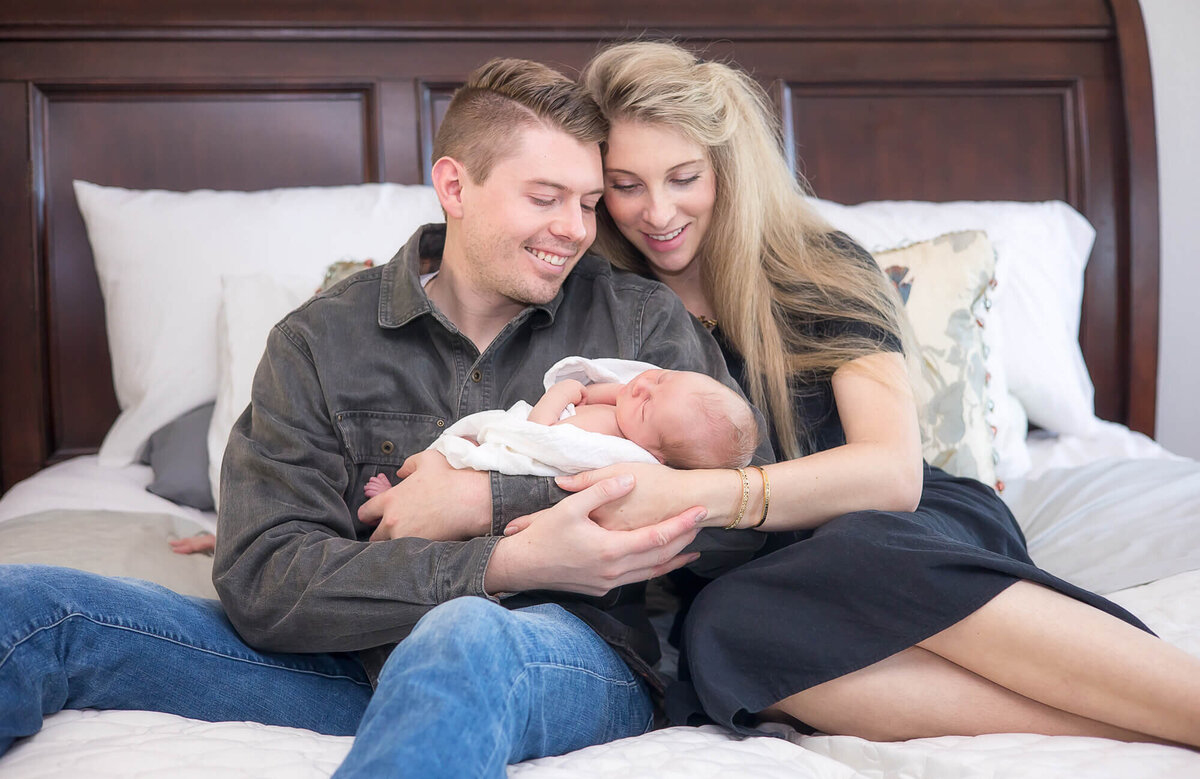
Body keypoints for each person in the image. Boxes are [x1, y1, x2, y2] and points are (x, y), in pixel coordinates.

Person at [0, 57, 769, 775]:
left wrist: (485, 503)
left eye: (591, 202)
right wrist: (504, 560)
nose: (576, 227)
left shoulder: (637, 325)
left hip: (563, 660)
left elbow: (725, 521)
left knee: (461, 633)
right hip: (338, 665)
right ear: (455, 185)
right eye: (545, 198)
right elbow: (262, 577)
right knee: (30, 607)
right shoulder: (320, 339)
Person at [563, 40, 1200, 747]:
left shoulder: (816, 269)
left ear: (728, 169)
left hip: (902, 528)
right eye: (625, 185)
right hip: (766, 580)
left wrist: (705, 493)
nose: (657, 211)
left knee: (852, 543)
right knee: (716, 634)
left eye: (684, 177)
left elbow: (891, 476)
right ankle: (1152, 721)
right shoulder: (604, 303)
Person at [362, 361, 758, 499]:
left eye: (649, 402)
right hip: (516, 445)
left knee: (459, 456)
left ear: (655, 455)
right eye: (663, 377)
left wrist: (563, 392)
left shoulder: (617, 451)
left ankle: (401, 494)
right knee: (451, 452)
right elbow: (604, 392)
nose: (641, 384)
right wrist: (626, 394)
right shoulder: (628, 415)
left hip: (522, 451)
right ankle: (403, 493)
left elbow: (540, 435)